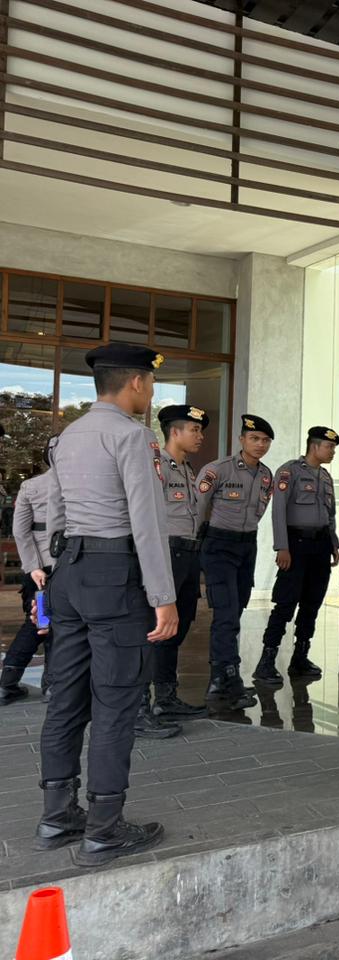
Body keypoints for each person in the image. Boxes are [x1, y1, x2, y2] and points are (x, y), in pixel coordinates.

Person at [36, 343, 177, 867]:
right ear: (136, 382)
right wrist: (163, 598)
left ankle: (56, 816)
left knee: (65, 699)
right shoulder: (132, 436)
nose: (150, 393)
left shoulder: (66, 437)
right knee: (116, 703)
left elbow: (55, 515)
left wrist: (51, 580)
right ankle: (103, 828)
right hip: (115, 577)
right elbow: (147, 521)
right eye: (150, 383)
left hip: (69, 572)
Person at [197, 414, 275, 709]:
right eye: (254, 438)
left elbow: (259, 512)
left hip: (246, 546)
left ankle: (225, 676)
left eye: (265, 440)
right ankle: (224, 679)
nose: (260, 444)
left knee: (236, 610)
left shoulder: (266, 475)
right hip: (219, 546)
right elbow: (197, 508)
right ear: (241, 439)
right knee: (226, 614)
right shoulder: (218, 470)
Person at [254, 426, 339, 685]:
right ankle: (266, 661)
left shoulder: (325, 477)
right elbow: (278, 511)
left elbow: (330, 515)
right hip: (296, 545)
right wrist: (282, 547)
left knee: (312, 603)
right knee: (285, 603)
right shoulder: (289, 471)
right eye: (329, 447)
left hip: (320, 546)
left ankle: (300, 657)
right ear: (314, 446)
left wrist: (333, 544)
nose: (333, 452)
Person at [149, 404, 210, 722]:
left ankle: (166, 696)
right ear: (174, 432)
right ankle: (145, 700)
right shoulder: (157, 466)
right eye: (194, 430)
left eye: (200, 430)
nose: (200, 436)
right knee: (159, 628)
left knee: (179, 626)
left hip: (188, 554)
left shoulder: (187, 469)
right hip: (167, 554)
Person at [1, 448, 56, 705]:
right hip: (68, 568)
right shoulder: (79, 486)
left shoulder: (30, 487)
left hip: (39, 570)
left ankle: (7, 683)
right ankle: (52, 686)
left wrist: (32, 566)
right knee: (61, 626)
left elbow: (20, 531)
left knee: (39, 624)